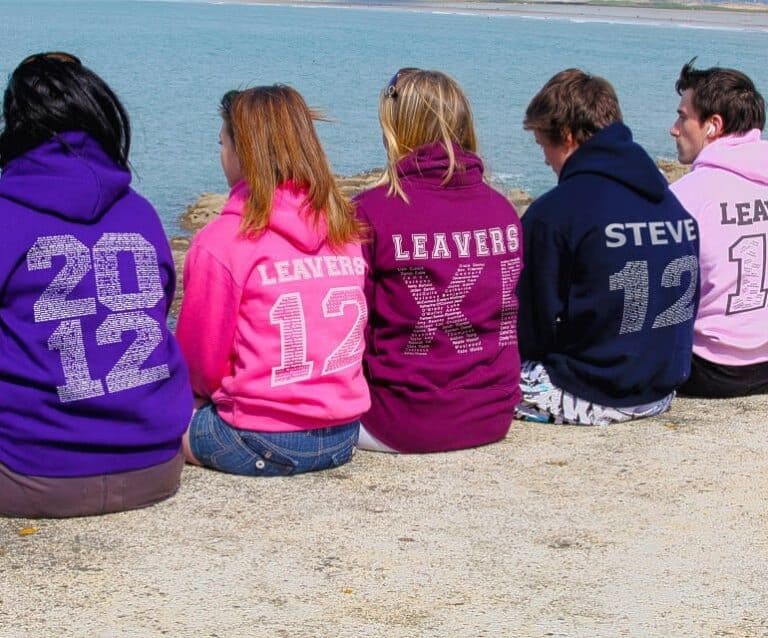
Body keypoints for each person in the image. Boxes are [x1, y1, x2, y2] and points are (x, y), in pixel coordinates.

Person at [0, 52, 193, 517]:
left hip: (30, 474)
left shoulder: (7, 214)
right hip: (154, 467)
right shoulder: (141, 212)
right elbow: (160, 302)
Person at [176, 86, 369, 475]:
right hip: (344, 433)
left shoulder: (222, 241)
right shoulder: (343, 229)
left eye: (222, 143)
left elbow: (200, 367)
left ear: (241, 152)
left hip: (256, 439)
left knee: (154, 422)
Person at [517, 69, 699, 425]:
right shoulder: (672, 203)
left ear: (567, 137)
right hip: (660, 390)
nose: (544, 160)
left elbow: (531, 330)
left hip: (593, 392)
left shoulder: (555, 213)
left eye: (543, 145)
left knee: (474, 383)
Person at [354, 68, 523, 453]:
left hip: (401, 420)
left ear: (398, 131)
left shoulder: (373, 211)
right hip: (492, 415)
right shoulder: (503, 211)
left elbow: (351, 328)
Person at [669, 59, 768, 398]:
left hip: (707, 369)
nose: (674, 128)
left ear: (713, 125)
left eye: (683, 117)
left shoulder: (685, 197)